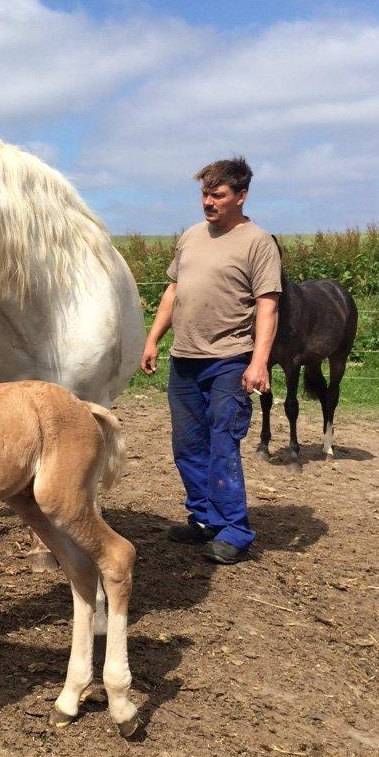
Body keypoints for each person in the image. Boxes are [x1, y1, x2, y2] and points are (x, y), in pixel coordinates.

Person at [140, 157, 281, 564]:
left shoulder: (258, 242)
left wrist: (259, 362)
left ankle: (235, 530)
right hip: (184, 359)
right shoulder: (191, 236)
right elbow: (173, 292)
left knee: (223, 444)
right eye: (204, 193)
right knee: (187, 445)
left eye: (217, 194)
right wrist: (152, 340)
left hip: (229, 360)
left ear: (241, 196)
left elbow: (267, 305)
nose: (208, 201)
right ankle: (203, 518)